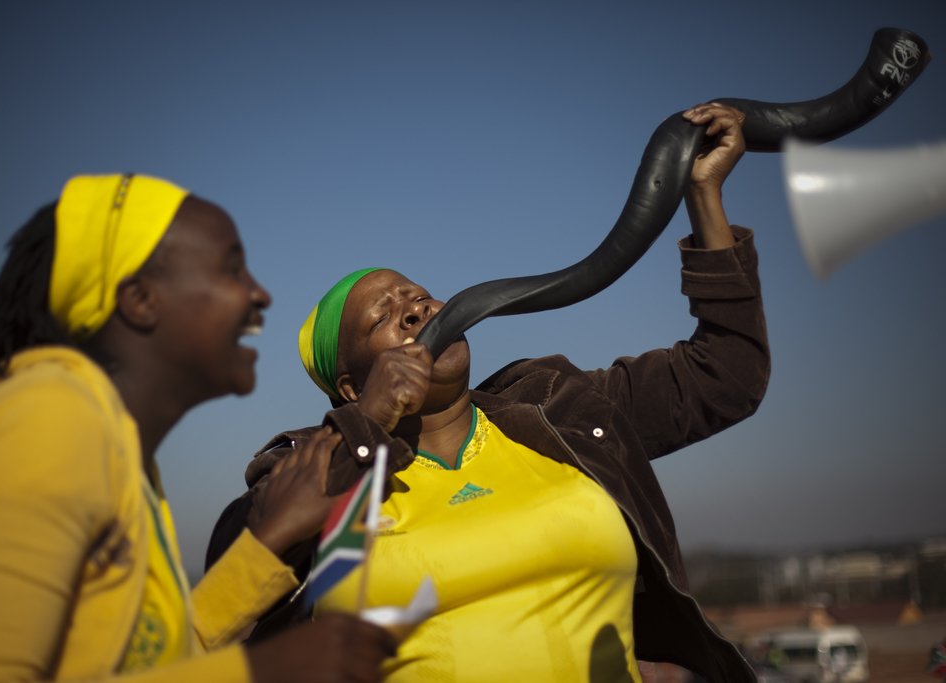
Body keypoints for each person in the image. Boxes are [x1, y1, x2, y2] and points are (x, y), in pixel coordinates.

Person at [208, 102, 768, 682]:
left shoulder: (559, 408)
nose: (417, 311)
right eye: (384, 317)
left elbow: (726, 376)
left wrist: (703, 196)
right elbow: (232, 574)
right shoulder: (309, 468)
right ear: (350, 386)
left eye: (419, 297)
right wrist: (368, 422)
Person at [0, 174, 396, 683]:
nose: (260, 294)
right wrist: (261, 668)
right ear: (140, 300)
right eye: (231, 268)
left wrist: (269, 539)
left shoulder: (119, 452)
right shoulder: (46, 418)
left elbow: (154, 658)